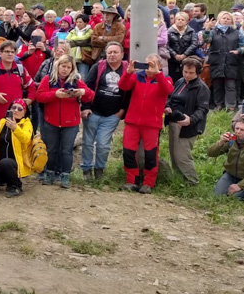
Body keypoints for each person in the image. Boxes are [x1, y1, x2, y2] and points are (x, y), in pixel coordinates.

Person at [118, 55, 173, 194]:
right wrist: (129, 71)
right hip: (132, 121)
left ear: (160, 66)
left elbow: (167, 90)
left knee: (151, 155)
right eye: (146, 64)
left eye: (152, 64)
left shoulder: (165, 79)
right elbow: (123, 86)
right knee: (128, 152)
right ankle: (132, 181)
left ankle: (148, 183)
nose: (148, 68)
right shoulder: (137, 77)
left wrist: (158, 74)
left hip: (152, 124)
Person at [36, 55, 94, 188]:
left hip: (71, 123)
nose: (65, 70)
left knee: (66, 150)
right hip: (51, 121)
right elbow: (39, 96)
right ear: (58, 66)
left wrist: (83, 92)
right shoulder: (48, 79)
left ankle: (65, 176)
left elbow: (90, 96)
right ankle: (49, 174)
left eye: (68, 67)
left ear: (72, 69)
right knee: (51, 149)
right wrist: (55, 94)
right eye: (63, 66)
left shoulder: (76, 81)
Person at [80, 42, 129, 180]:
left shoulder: (127, 69)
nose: (112, 55)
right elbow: (87, 87)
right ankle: (86, 170)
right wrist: (85, 108)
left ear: (122, 54)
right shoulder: (98, 66)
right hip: (93, 112)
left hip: (112, 114)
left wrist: (122, 112)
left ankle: (99, 169)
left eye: (115, 52)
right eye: (109, 52)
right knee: (88, 142)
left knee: (103, 144)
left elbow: (130, 92)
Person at [164, 56, 210, 185]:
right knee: (173, 153)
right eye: (185, 72)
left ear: (198, 72)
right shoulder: (180, 81)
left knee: (182, 155)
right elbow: (171, 98)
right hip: (174, 121)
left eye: (191, 73)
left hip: (188, 125)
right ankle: (179, 178)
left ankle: (192, 180)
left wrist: (191, 119)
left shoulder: (202, 88)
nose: (187, 75)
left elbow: (202, 109)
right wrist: (167, 106)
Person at [0, 99, 33, 198]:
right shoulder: (2, 122)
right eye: (13, 107)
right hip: (1, 162)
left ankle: (16, 185)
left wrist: (15, 128)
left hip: (17, 162)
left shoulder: (26, 123)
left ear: (24, 112)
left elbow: (26, 139)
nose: (16, 110)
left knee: (6, 162)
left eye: (20, 109)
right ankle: (7, 178)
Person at [205, 11, 244, 110]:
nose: (226, 20)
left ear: (231, 21)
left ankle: (231, 106)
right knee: (217, 85)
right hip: (216, 62)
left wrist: (238, 51)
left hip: (231, 62)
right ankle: (218, 105)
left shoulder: (237, 32)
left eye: (228, 19)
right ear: (219, 19)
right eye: (224, 18)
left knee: (230, 85)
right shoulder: (213, 32)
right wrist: (207, 29)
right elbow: (206, 41)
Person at [167, 11, 197, 84]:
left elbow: (194, 44)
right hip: (172, 60)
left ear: (186, 22)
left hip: (187, 59)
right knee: (173, 79)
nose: (180, 21)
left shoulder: (191, 31)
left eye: (182, 20)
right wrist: (175, 55)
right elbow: (166, 45)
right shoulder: (169, 31)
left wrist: (185, 54)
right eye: (178, 19)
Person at [66, 13, 94, 79]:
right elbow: (67, 41)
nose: (78, 24)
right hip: (73, 57)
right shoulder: (72, 31)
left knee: (83, 77)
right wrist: (79, 41)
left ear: (86, 23)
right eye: (77, 22)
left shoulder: (90, 31)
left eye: (80, 22)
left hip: (84, 58)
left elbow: (85, 40)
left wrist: (73, 40)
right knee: (71, 77)